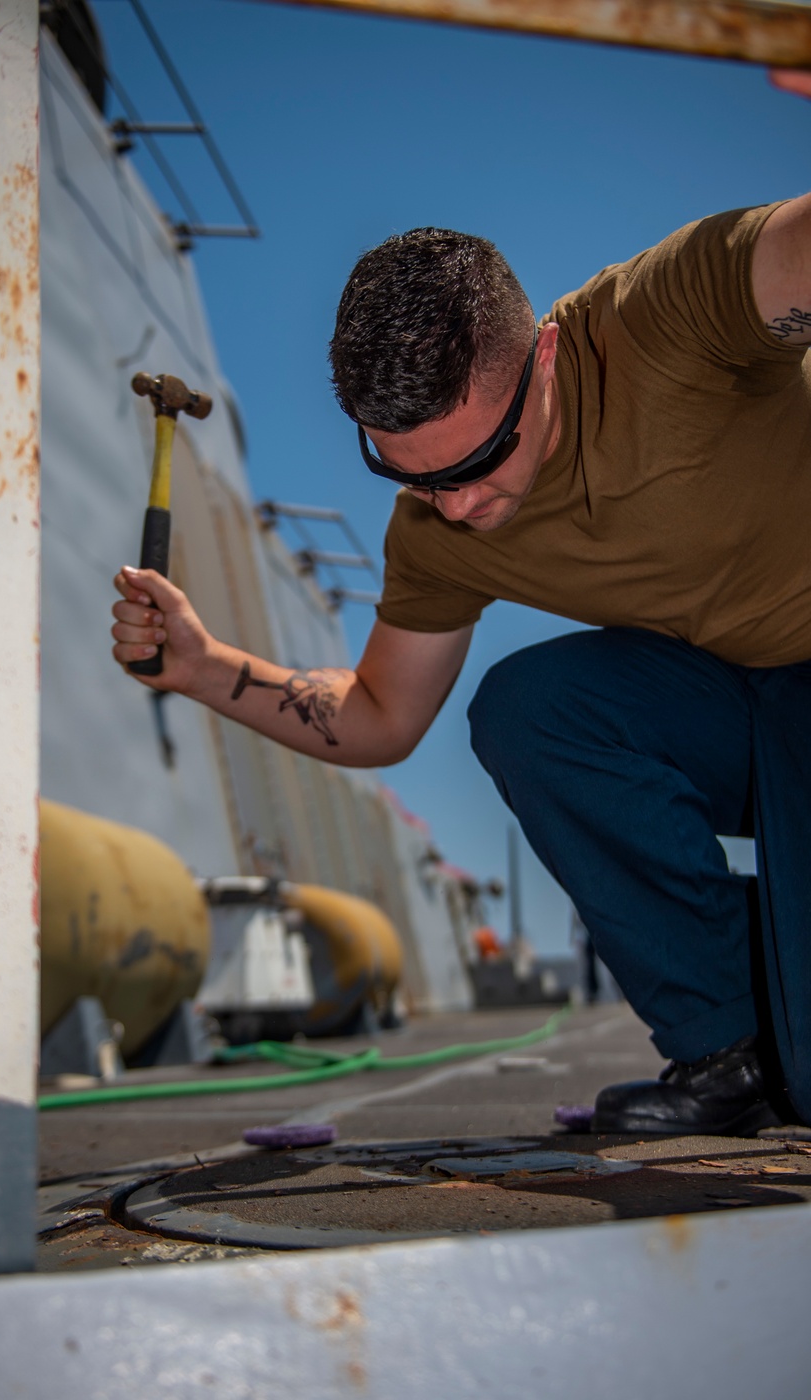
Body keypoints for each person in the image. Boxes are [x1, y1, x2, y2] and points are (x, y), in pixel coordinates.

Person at [113, 70, 811, 1136]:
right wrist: (207, 666)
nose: (460, 501)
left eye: (483, 456)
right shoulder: (439, 530)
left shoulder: (670, 312)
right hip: (749, 707)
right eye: (414, 476)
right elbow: (380, 713)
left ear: (543, 355)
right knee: (531, 708)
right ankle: (731, 1046)